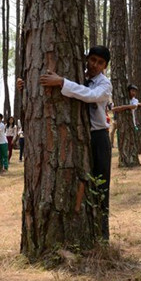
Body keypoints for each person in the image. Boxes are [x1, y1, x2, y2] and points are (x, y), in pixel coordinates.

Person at [38, 45, 113, 239]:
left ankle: (102, 234)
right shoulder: (78, 75)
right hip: (75, 136)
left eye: (100, 62)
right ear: (87, 58)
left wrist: (62, 82)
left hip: (98, 137)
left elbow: (90, 96)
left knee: (101, 184)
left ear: (105, 66)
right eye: (93, 59)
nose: (95, 65)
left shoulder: (104, 84)